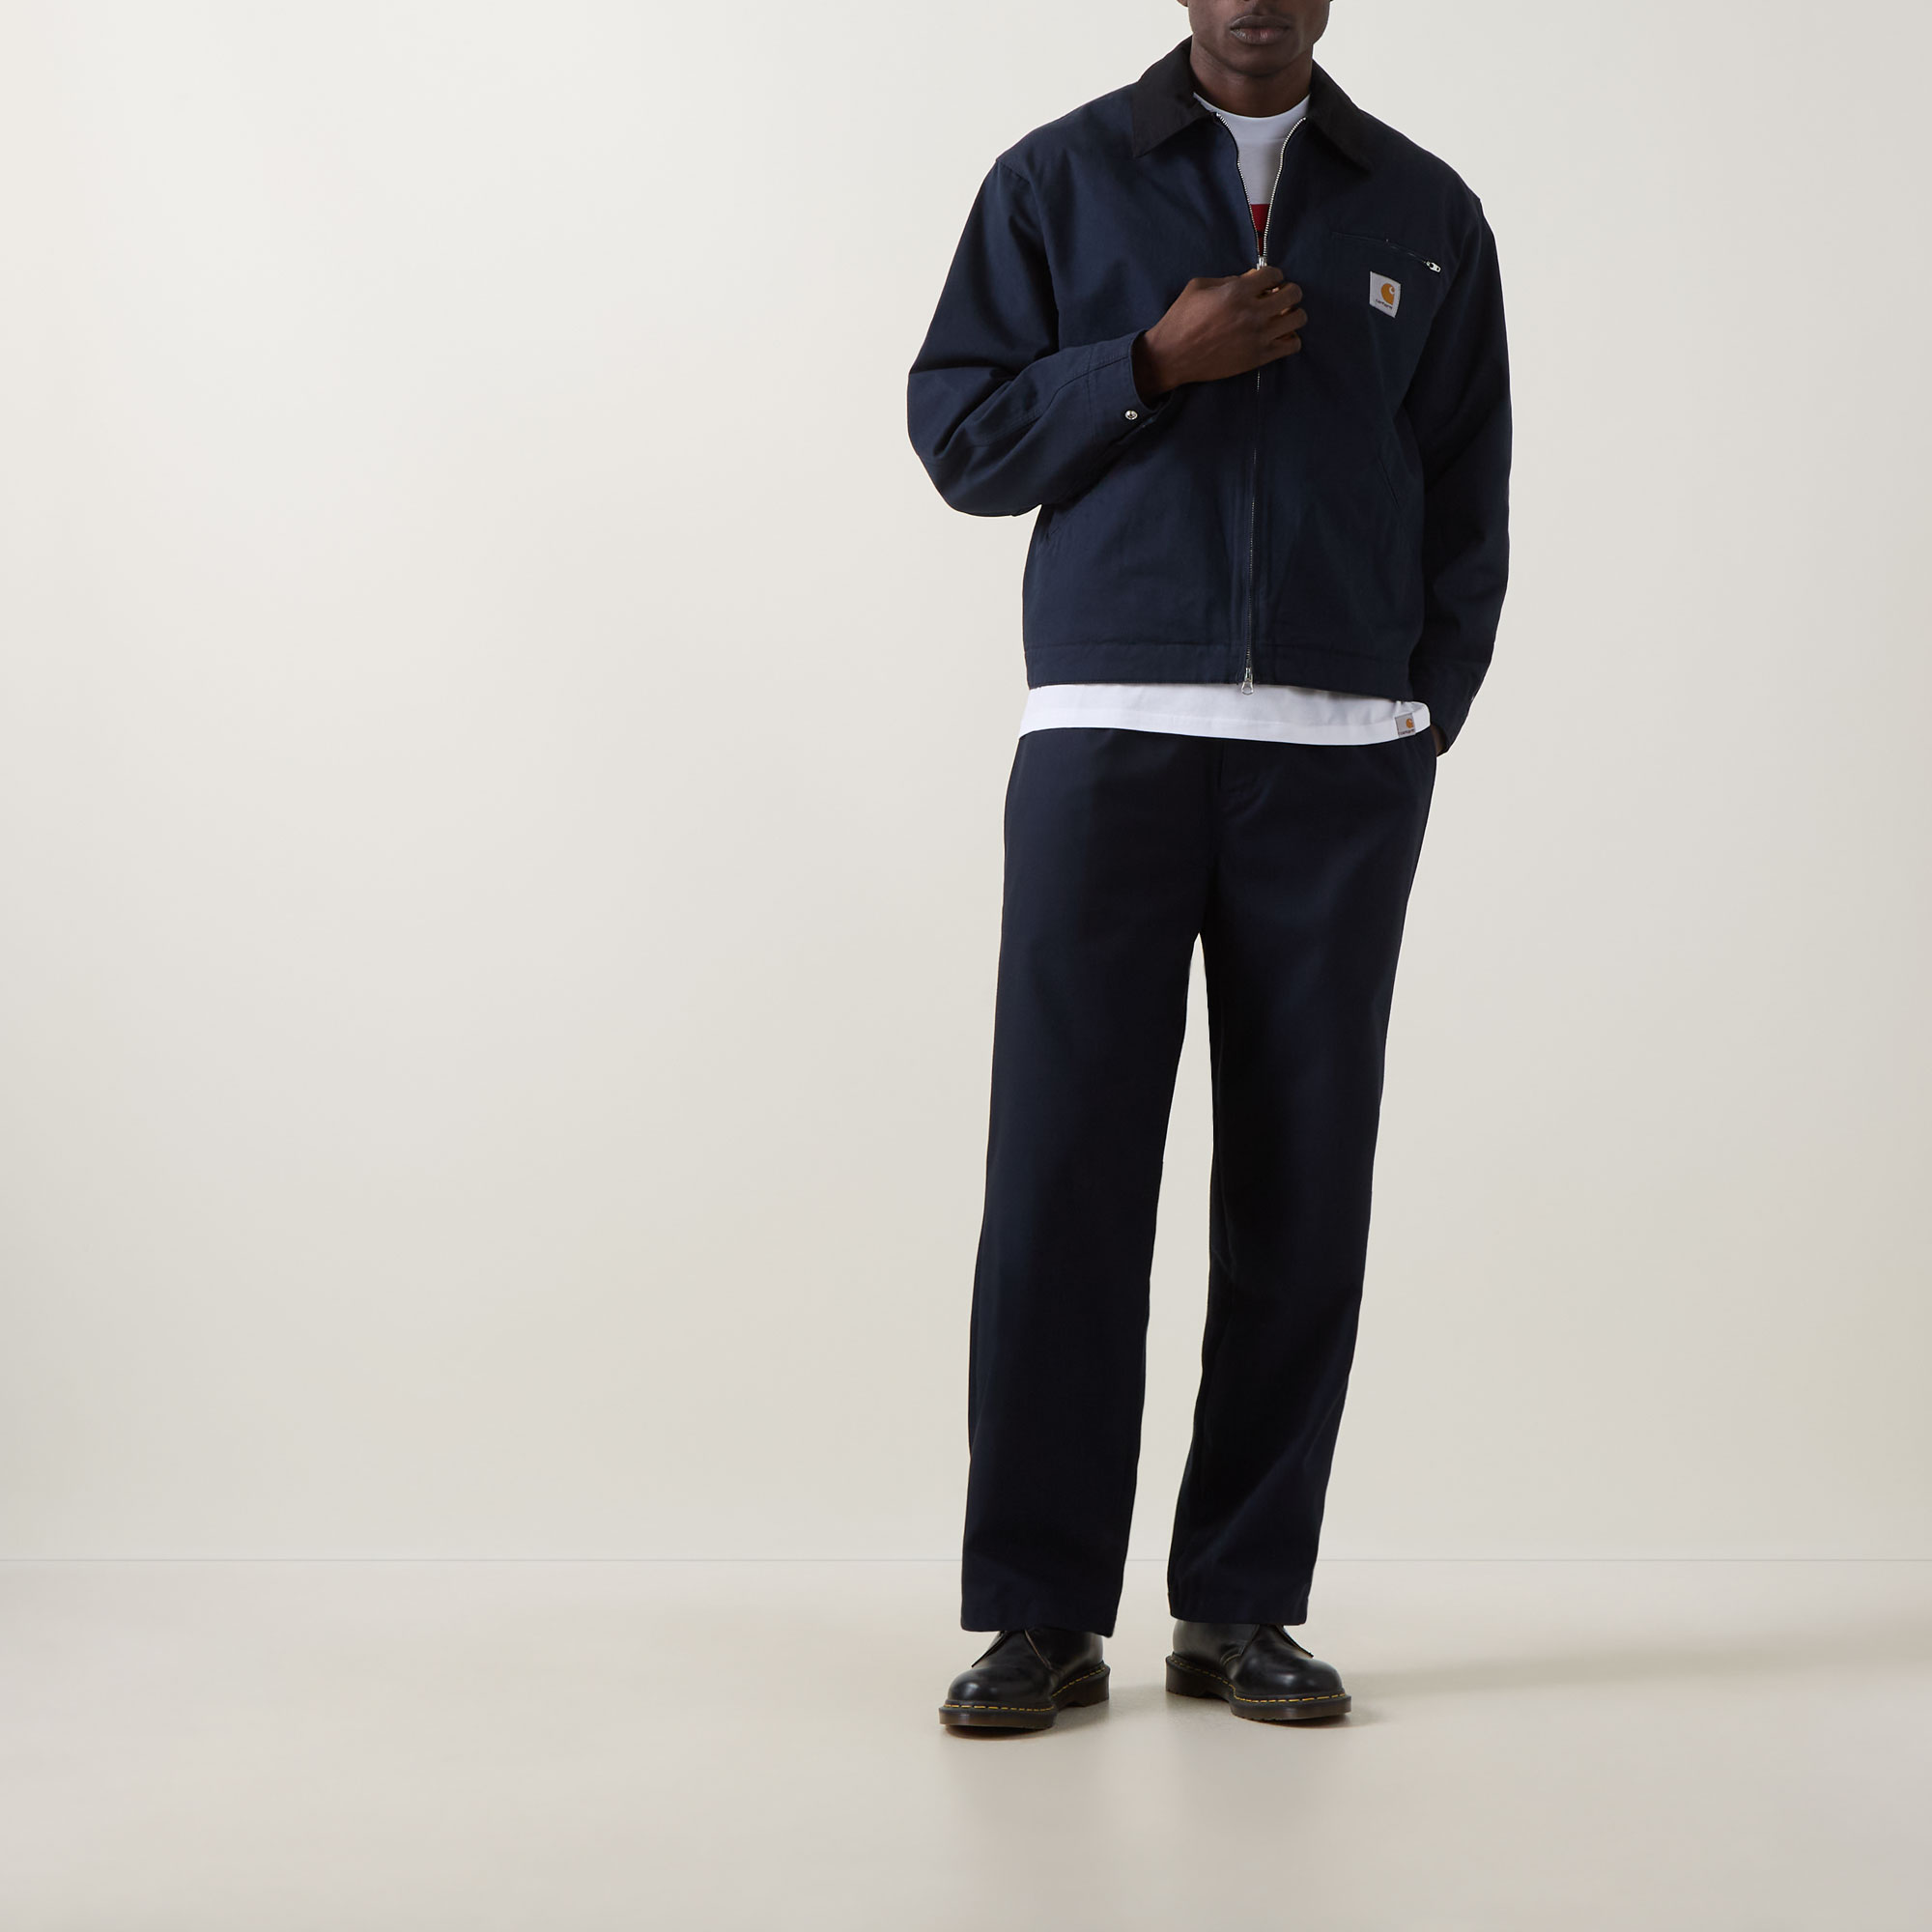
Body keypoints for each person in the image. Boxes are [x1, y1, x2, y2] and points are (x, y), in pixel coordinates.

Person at [909, 0, 1510, 1731]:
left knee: (1302, 1191)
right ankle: (1039, 1615)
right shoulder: (1057, 181)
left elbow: (1467, 480)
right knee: (1062, 1177)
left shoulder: (1424, 209)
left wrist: (1419, 709)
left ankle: (1242, 1605)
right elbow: (960, 438)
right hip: (1108, 735)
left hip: (1338, 758)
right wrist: (1148, 365)